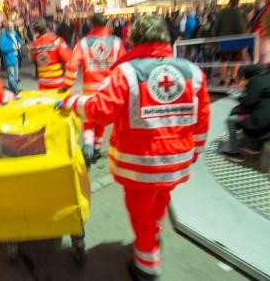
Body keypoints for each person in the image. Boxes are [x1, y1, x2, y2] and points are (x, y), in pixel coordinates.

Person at [58, 16, 210, 281]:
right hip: (176, 161)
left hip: (142, 163)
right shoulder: (192, 71)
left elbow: (100, 111)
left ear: (134, 38)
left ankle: (146, 265)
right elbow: (203, 119)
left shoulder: (128, 73)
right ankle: (154, 233)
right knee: (160, 200)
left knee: (141, 212)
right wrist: (192, 153)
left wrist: (70, 100)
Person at [61, 13, 126, 163]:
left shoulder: (83, 43)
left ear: (92, 24)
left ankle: (88, 145)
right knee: (102, 119)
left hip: (89, 89)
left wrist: (67, 85)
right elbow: (123, 66)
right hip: (108, 90)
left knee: (89, 118)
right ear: (107, 24)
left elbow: (72, 65)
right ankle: (96, 149)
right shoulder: (116, 42)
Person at [222, 65, 270, 162]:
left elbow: (249, 102)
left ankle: (235, 153)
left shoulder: (255, 80)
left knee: (231, 121)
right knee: (249, 117)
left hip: (269, 117)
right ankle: (254, 147)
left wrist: (238, 97)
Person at [29, 19, 72, 90]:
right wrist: (68, 82)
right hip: (58, 83)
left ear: (36, 31)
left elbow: (34, 60)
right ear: (46, 27)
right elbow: (69, 59)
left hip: (43, 84)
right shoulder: (56, 40)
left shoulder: (34, 46)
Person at [213, 0, 247, 86]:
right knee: (236, 60)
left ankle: (223, 80)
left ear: (230, 2)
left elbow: (216, 27)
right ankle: (233, 78)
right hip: (238, 40)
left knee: (224, 60)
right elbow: (246, 27)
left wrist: (214, 39)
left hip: (225, 40)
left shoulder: (223, 12)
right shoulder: (242, 13)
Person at [0, 21, 22, 93]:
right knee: (11, 76)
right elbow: (2, 48)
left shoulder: (15, 33)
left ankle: (15, 89)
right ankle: (14, 91)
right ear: (6, 27)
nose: (11, 28)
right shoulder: (3, 36)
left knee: (16, 75)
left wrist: (20, 44)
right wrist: (12, 48)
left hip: (16, 56)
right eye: (9, 27)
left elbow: (19, 40)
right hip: (9, 57)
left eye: (12, 26)